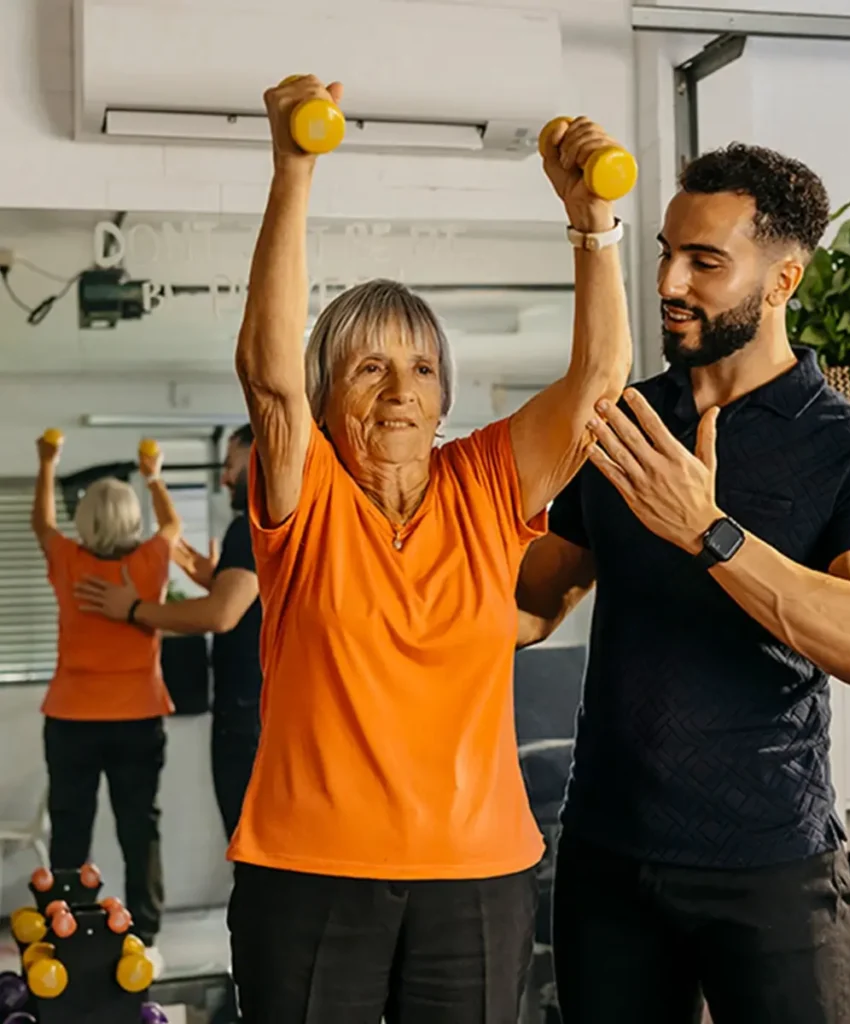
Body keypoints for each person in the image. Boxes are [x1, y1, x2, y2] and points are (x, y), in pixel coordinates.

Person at [223, 75, 633, 1024]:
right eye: (369, 366)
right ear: (331, 400)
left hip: (478, 878)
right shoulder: (306, 493)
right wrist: (293, 168)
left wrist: (594, 225)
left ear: (446, 398)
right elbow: (269, 377)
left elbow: (598, 384)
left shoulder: (485, 482)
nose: (400, 389)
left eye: (420, 369)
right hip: (308, 873)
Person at [515, 143, 850, 1024]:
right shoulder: (622, 423)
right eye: (667, 250)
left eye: (706, 261)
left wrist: (710, 534)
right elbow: (523, 608)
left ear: (783, 281)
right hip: (608, 862)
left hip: (773, 867)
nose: (671, 280)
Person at [31, 431, 182, 968]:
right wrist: (154, 476)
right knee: (139, 828)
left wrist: (48, 464)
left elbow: (42, 526)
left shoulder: (69, 561)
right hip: (138, 721)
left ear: (87, 519)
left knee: (71, 829)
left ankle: (69, 934)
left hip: (71, 720)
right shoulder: (149, 563)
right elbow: (171, 527)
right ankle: (147, 935)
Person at [74, 424, 262, 840]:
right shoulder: (262, 530)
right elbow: (236, 595)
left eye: (231, 465)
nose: (225, 477)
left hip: (249, 719)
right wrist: (154, 483)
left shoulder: (249, 528)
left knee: (250, 845)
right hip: (251, 712)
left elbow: (221, 615)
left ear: (259, 456)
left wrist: (136, 609)